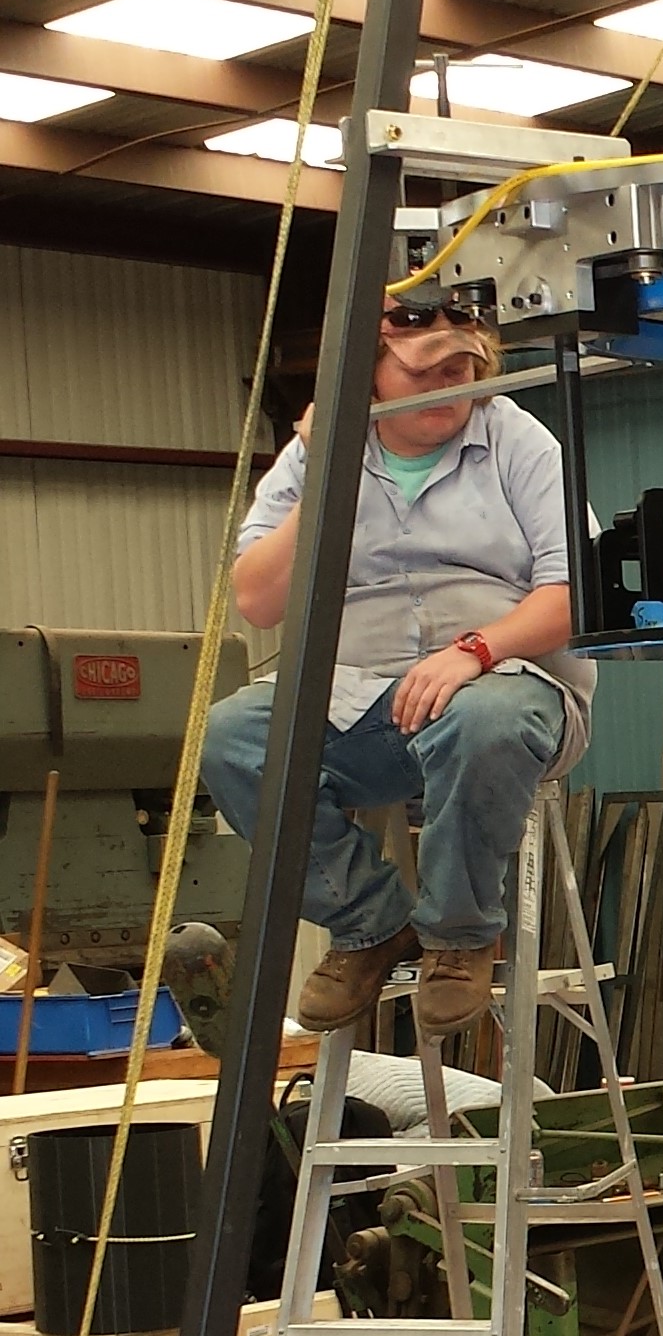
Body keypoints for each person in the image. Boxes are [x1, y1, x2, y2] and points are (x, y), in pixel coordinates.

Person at [204, 307, 592, 1039]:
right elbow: (258, 601)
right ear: (369, 374)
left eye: (463, 370)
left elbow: (576, 591)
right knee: (234, 737)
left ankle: (460, 935)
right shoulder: (314, 455)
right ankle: (371, 926)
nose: (449, 388)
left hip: (504, 688)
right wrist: (325, 469)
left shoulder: (514, 438)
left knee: (485, 719)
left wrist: (474, 651)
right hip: (362, 702)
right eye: (425, 372)